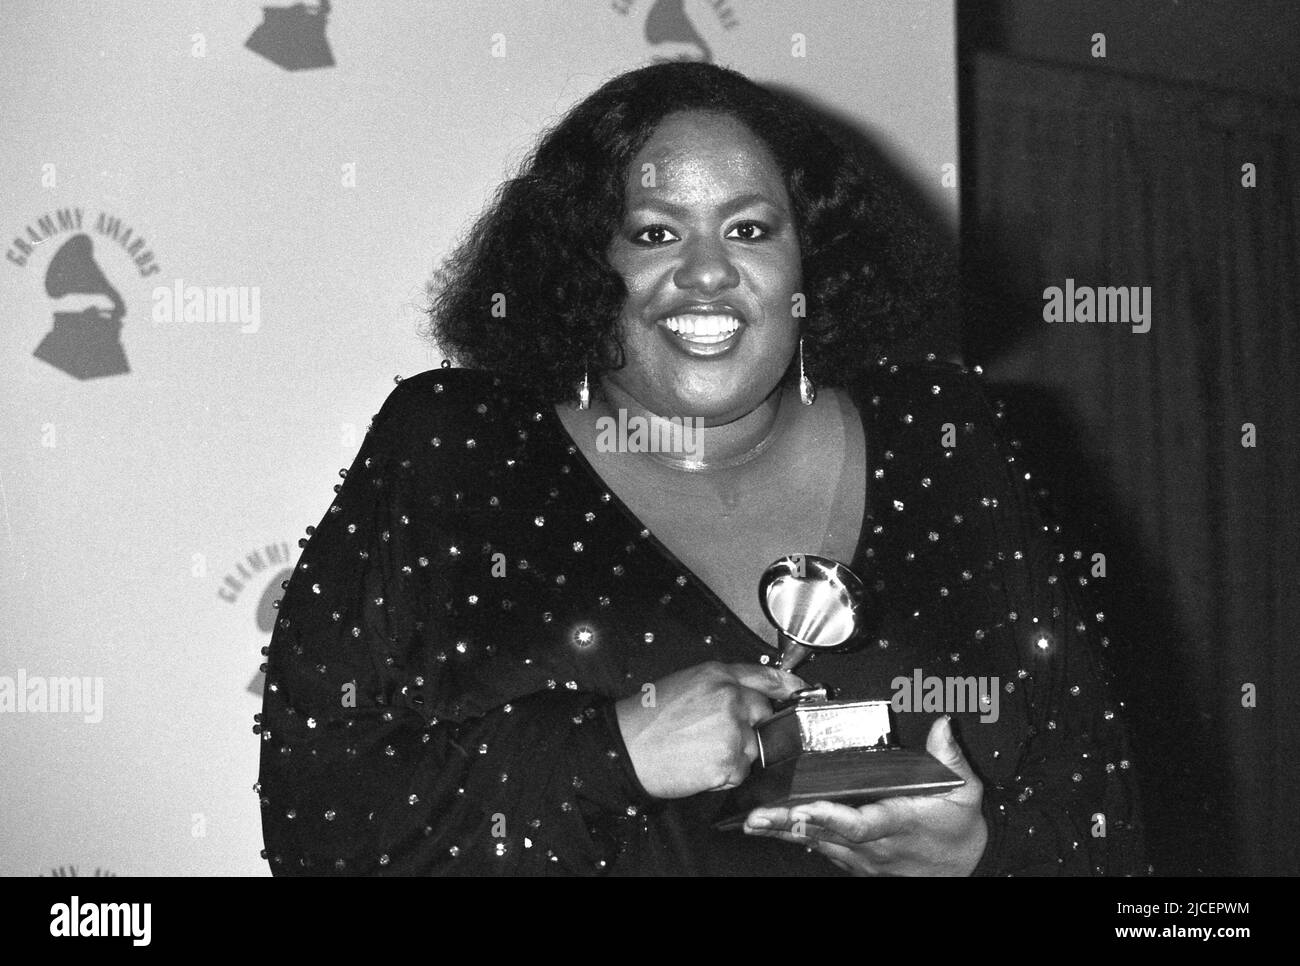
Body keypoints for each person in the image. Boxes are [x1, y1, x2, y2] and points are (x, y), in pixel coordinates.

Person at [256, 61, 1146, 876]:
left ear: (811, 261)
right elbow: (320, 813)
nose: (708, 273)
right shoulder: (455, 443)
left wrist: (979, 860)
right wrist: (615, 751)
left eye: (751, 227)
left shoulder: (946, 437)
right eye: (653, 233)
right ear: (584, 265)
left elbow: (1104, 814)